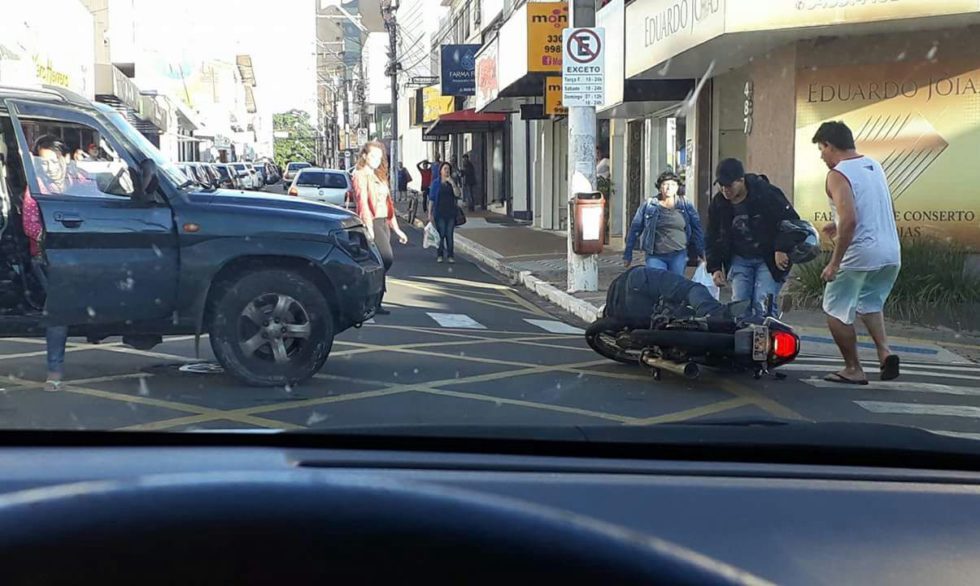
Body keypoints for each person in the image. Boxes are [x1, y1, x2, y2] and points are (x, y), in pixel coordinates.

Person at [813, 120, 902, 384]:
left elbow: (850, 220)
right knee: (870, 303)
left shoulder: (838, 174)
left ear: (830, 145)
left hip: (860, 254)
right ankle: (885, 353)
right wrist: (837, 224)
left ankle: (853, 368)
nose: (821, 156)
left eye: (821, 149)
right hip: (890, 253)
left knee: (835, 308)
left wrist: (834, 263)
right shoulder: (874, 165)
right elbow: (867, 208)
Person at [706, 158, 801, 319]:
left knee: (763, 303)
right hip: (739, 258)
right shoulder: (719, 203)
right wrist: (715, 267)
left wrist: (781, 248)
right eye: (721, 185)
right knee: (739, 305)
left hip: (768, 258)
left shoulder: (766, 193)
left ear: (741, 180)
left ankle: (766, 339)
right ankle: (744, 341)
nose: (725, 190)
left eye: (729, 185)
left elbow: (791, 221)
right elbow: (712, 235)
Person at [353, 141, 408, 315]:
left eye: (379, 157)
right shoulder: (360, 175)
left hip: (384, 221)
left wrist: (397, 229)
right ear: (364, 156)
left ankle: (375, 303)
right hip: (373, 222)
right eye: (373, 156)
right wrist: (368, 228)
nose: (377, 160)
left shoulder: (380, 175)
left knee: (380, 263)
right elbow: (363, 204)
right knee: (385, 258)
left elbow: (388, 205)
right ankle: (365, 294)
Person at [624, 171, 704, 276]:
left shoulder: (685, 204)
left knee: (674, 286)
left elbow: (696, 228)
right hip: (655, 255)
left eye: (672, 185)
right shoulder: (649, 205)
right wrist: (628, 253)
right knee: (657, 283)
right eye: (665, 184)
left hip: (678, 254)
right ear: (659, 187)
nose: (668, 188)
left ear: (677, 187)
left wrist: (703, 254)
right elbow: (635, 228)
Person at [32, 135, 96, 196]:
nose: (50, 168)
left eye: (54, 162)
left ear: (67, 158)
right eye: (44, 163)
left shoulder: (80, 177)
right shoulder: (36, 186)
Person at [429, 162, 460, 263]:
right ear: (441, 171)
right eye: (445, 169)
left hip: (450, 212)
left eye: (448, 169)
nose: (447, 171)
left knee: (449, 235)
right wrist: (430, 213)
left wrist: (452, 183)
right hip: (439, 212)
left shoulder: (452, 182)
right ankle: (440, 254)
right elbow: (432, 199)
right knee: (441, 234)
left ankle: (450, 255)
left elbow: (457, 194)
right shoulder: (436, 183)